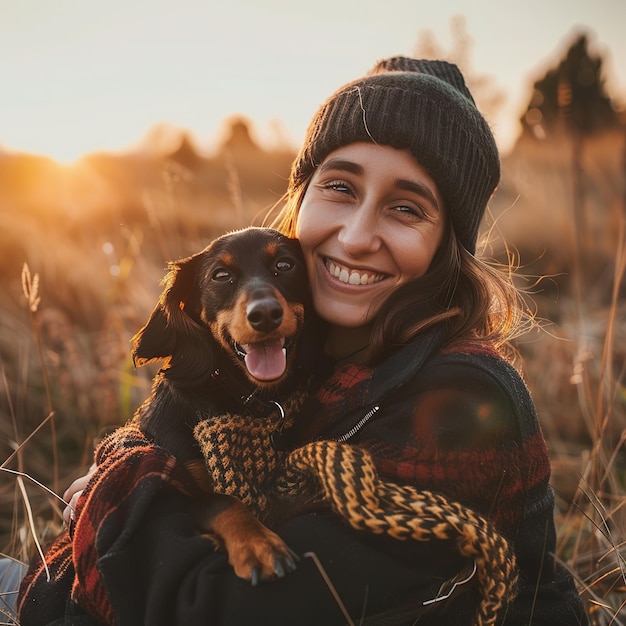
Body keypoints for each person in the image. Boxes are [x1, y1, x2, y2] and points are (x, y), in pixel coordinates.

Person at [17, 57, 587, 625]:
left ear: (446, 246)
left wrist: (113, 495)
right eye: (340, 187)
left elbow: (231, 612)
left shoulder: (462, 402)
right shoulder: (312, 368)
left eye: (406, 208)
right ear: (301, 200)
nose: (359, 236)